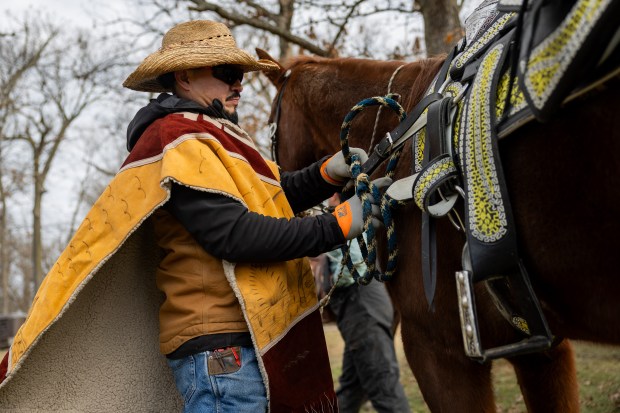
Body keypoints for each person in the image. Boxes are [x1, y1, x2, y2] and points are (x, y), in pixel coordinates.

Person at [121, 20, 392, 412]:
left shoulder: (213, 135)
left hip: (240, 343)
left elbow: (269, 194)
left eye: (242, 76)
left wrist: (326, 172)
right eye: (229, 74)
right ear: (184, 76)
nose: (240, 85)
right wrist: (338, 225)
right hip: (220, 352)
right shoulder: (178, 141)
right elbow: (236, 235)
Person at [322, 193, 411, 413]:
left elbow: (354, 268)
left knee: (384, 386)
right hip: (366, 299)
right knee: (353, 387)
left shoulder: (344, 211)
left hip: (359, 301)